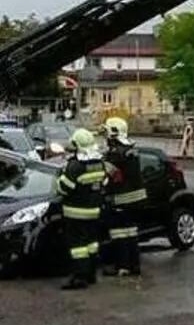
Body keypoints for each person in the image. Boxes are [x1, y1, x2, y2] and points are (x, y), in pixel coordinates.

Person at [54, 128, 108, 289]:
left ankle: (79, 277)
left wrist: (60, 176)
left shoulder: (75, 166)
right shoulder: (99, 163)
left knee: (78, 247)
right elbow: (104, 183)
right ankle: (91, 274)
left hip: (76, 213)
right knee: (91, 243)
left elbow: (64, 188)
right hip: (95, 211)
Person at [100, 116, 147, 277]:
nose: (105, 136)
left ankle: (121, 267)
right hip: (137, 200)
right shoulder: (131, 150)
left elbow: (104, 174)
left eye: (106, 132)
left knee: (118, 233)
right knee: (131, 233)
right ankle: (134, 266)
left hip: (122, 199)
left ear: (113, 133)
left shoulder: (115, 153)